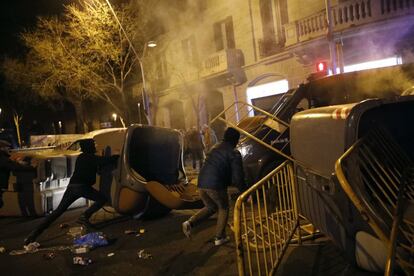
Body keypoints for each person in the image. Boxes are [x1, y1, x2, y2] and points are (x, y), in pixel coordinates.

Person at [24, 139, 119, 245]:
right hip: (81, 187)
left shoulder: (82, 157)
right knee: (102, 199)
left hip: (72, 187)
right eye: (93, 145)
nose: (95, 147)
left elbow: (98, 164)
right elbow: (106, 161)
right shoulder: (89, 157)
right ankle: (84, 217)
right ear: (89, 147)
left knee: (58, 212)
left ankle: (33, 234)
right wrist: (118, 156)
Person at [182, 127, 246, 246]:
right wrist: (245, 193)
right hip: (215, 185)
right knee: (224, 207)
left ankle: (190, 223)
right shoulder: (234, 152)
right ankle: (219, 237)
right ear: (235, 140)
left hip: (201, 183)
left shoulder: (215, 147)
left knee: (211, 207)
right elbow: (238, 177)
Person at [0, 140, 36, 208]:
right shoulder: (3, 158)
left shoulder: (4, 158)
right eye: (7, 148)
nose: (9, 149)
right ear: (2, 148)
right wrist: (31, 167)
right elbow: (14, 166)